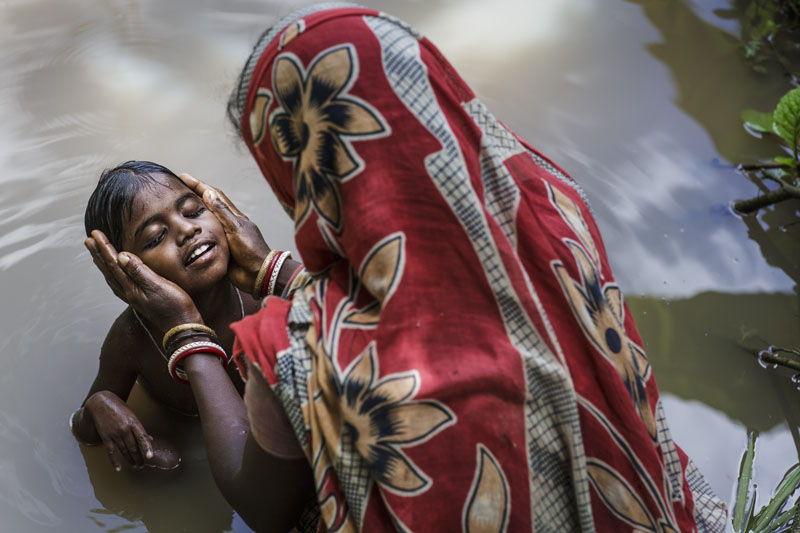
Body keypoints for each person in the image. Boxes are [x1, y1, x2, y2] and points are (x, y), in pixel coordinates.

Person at [85, 5, 728, 532]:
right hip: (639, 503)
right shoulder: (554, 210)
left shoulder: (298, 342)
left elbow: (261, 508)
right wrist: (281, 273)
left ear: (303, 172)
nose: (191, 230)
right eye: (156, 233)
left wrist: (186, 336)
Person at [72, 160, 302, 472]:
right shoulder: (133, 337)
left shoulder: (259, 292)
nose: (187, 230)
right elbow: (85, 430)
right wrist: (100, 405)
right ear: (125, 271)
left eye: (193, 211)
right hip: (204, 451)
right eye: (156, 237)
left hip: (273, 441)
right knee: (166, 464)